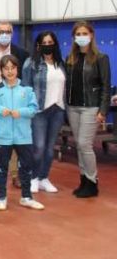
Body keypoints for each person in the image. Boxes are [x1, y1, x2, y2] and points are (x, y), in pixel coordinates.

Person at [0, 55, 43, 211]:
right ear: (1, 71)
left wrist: (22, 112)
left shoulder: (27, 88)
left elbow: (33, 109)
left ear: (17, 69)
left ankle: (26, 197)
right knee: (2, 167)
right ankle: (1, 197)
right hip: (3, 137)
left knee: (25, 166)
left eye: (13, 68)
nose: (10, 71)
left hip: (23, 136)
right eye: (6, 68)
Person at [65, 21, 111, 198]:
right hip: (73, 107)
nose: (81, 37)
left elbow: (105, 86)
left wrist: (103, 111)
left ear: (91, 35)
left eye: (85, 33)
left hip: (91, 108)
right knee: (79, 145)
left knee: (85, 144)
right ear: (74, 38)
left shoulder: (101, 58)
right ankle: (83, 179)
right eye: (78, 34)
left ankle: (92, 181)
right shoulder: (71, 59)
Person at [0, 21, 29, 186]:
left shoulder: (22, 53)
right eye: (0, 31)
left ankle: (16, 175)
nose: (4, 34)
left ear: (12, 33)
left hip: (15, 100)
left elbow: (25, 77)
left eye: (7, 31)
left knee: (15, 139)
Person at [22, 31, 66, 194]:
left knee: (49, 148)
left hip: (58, 110)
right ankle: (33, 178)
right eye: (44, 42)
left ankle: (44, 177)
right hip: (39, 111)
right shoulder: (31, 63)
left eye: (51, 42)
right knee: (38, 147)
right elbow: (26, 89)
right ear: (39, 45)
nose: (48, 45)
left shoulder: (61, 63)